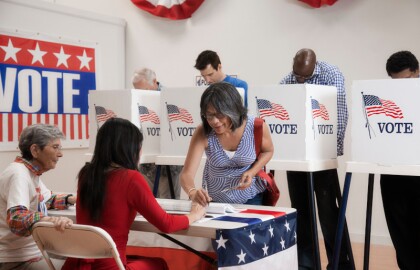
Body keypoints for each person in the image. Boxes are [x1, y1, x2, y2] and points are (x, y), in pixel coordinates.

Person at [62, 118, 205, 270]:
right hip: (110, 266)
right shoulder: (131, 178)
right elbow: (166, 224)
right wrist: (194, 215)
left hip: (76, 265)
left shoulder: (86, 174)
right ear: (128, 148)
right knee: (159, 264)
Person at [280, 48, 352, 270]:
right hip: (297, 157)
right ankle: (307, 265)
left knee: (329, 212)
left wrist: (332, 152)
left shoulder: (331, 74)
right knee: (301, 212)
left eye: (306, 77)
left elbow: (339, 113)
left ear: (315, 66)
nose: (300, 80)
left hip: (322, 154)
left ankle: (341, 264)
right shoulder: (286, 81)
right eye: (298, 76)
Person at [180, 82, 274, 206]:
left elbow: (268, 151)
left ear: (233, 109)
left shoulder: (256, 127)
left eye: (219, 114)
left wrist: (252, 172)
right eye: (209, 115)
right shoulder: (203, 132)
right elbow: (187, 174)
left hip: (252, 198)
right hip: (215, 202)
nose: (214, 121)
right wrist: (192, 192)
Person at [0, 124, 75, 270]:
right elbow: (17, 219)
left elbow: (46, 200)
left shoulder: (30, 173)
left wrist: (73, 198)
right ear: (35, 150)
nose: (60, 154)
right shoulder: (18, 175)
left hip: (32, 253)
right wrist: (48, 219)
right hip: (15, 259)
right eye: (55, 147)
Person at [380, 50, 420, 270]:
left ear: (417, 72)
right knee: (400, 232)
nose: (402, 86)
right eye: (396, 81)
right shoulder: (388, 96)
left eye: (406, 80)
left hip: (418, 172)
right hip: (394, 172)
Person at [132, 68, 182, 199]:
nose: (141, 93)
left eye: (145, 89)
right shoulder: (135, 98)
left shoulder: (171, 98)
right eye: (137, 90)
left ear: (154, 82)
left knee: (169, 203)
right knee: (147, 200)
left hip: (168, 166)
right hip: (146, 163)